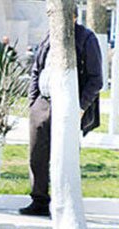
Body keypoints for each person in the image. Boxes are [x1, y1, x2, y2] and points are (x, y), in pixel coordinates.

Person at [21, 16, 102, 216]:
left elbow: (96, 79)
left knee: (64, 155)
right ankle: (39, 199)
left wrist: (80, 107)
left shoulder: (86, 38)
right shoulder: (50, 36)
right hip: (43, 102)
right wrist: (33, 102)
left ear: (72, 16)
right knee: (37, 154)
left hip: (69, 104)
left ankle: (64, 202)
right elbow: (36, 69)